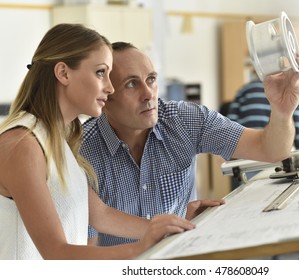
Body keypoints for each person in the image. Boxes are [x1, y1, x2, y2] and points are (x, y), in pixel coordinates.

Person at [80, 42, 299, 246]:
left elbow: (271, 150)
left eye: (151, 79)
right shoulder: (82, 151)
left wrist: (282, 111)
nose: (148, 93)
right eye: (131, 84)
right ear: (105, 96)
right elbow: (87, 253)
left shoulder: (185, 120)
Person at [0, 24, 195, 260]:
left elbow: (100, 215)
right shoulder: (22, 143)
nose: (110, 88)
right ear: (63, 73)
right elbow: (56, 253)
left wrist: (174, 226)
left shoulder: (58, 138)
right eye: (101, 72)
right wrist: (140, 248)